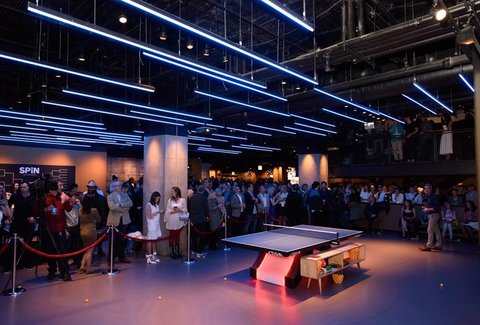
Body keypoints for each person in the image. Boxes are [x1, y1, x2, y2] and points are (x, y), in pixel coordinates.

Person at [41, 180, 74, 281]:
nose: (60, 188)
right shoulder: (45, 198)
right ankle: (52, 271)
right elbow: (40, 211)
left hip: (60, 228)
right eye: (58, 186)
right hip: (50, 229)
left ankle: (64, 271)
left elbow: (67, 209)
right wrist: (46, 209)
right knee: (51, 251)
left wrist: (69, 201)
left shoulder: (61, 197)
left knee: (62, 251)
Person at [7, 182, 35, 270]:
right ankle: (15, 265)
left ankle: (28, 263)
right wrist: (9, 217)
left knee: (28, 243)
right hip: (17, 223)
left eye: (24, 187)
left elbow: (37, 209)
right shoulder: (15, 196)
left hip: (29, 223)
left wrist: (34, 217)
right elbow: (8, 206)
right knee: (15, 244)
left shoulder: (33, 197)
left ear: (28, 187)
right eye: (21, 187)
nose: (22, 189)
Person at [107, 181, 133, 264]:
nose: (119, 187)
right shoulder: (110, 196)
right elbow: (112, 207)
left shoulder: (125, 195)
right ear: (114, 187)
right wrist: (124, 209)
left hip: (124, 220)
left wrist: (120, 204)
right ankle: (111, 259)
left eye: (120, 186)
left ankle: (122, 257)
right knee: (113, 241)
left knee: (122, 240)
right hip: (114, 221)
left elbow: (131, 203)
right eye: (117, 186)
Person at [78, 195, 100, 273]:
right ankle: (88, 268)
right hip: (91, 231)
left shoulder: (80, 210)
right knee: (90, 251)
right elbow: (98, 220)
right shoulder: (93, 210)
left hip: (82, 231)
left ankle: (82, 266)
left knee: (86, 250)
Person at [164, 186, 187, 259]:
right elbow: (167, 210)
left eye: (173, 191)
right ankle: (172, 252)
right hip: (171, 220)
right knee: (171, 236)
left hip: (179, 220)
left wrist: (180, 210)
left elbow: (185, 210)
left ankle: (177, 251)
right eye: (171, 191)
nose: (171, 193)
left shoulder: (183, 200)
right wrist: (172, 211)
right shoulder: (170, 200)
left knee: (177, 236)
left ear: (177, 192)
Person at [420, 183, 442, 251]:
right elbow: (431, 206)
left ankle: (428, 246)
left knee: (429, 230)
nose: (426, 190)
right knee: (436, 230)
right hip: (431, 215)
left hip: (434, 215)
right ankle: (439, 245)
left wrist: (427, 209)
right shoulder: (428, 196)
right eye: (425, 188)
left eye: (428, 188)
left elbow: (436, 208)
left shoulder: (434, 197)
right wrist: (425, 207)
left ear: (431, 189)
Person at [188, 185, 209, 256]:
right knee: (202, 235)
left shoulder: (192, 198)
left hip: (193, 219)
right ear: (203, 191)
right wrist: (207, 216)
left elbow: (189, 207)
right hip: (201, 219)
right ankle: (200, 250)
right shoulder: (204, 198)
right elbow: (206, 209)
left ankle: (194, 249)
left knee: (194, 235)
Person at [145, 192, 163, 264]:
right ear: (153, 197)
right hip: (151, 225)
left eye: (159, 198)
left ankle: (154, 255)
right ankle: (149, 256)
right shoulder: (148, 205)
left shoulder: (156, 205)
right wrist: (158, 212)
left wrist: (160, 212)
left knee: (155, 240)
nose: (158, 200)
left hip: (156, 224)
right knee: (150, 240)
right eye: (157, 198)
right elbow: (149, 216)